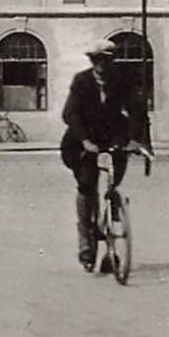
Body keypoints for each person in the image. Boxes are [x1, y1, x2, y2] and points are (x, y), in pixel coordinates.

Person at [60, 40, 147, 272]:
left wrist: (134, 140)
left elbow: (137, 110)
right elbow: (70, 113)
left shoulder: (122, 80)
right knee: (87, 186)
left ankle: (110, 223)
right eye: (97, 60)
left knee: (113, 181)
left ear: (112, 60)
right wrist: (85, 141)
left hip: (112, 138)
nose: (101, 65)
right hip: (83, 141)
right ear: (92, 61)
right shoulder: (81, 81)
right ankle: (86, 245)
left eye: (106, 59)